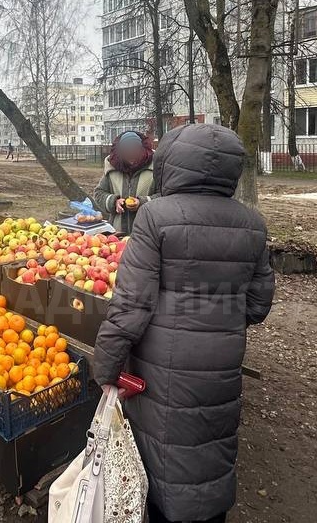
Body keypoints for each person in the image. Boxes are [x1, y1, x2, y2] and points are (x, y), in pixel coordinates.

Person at [92, 123, 275, 523]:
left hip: (163, 365)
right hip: (224, 360)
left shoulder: (156, 216)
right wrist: (218, 319)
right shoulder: (252, 223)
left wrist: (104, 369)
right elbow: (259, 305)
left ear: (170, 164)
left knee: (165, 456)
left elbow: (130, 305)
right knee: (211, 443)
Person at [94, 131, 157, 234]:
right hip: (117, 234)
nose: (131, 153)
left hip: (147, 234)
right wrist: (114, 202)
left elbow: (164, 197)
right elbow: (99, 193)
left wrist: (142, 203)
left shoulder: (154, 168)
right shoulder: (112, 168)